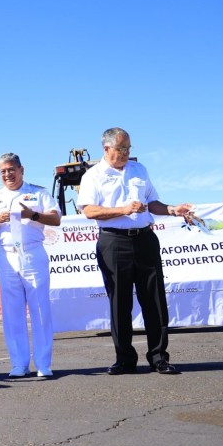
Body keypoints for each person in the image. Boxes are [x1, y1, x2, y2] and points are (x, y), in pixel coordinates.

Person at [78, 127, 194, 376]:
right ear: (106, 149)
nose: (126, 153)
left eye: (128, 148)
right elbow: (88, 211)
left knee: (154, 299)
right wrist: (123, 210)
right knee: (120, 302)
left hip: (145, 240)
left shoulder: (139, 170)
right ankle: (125, 359)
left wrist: (174, 209)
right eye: (121, 149)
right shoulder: (93, 175)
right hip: (114, 242)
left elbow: (152, 202)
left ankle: (159, 357)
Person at [0, 153, 61, 379]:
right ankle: (19, 364)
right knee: (12, 311)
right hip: (6, 255)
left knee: (40, 308)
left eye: (11, 170)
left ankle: (43, 363)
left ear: (21, 170)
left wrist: (31, 214)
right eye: (3, 171)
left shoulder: (38, 192)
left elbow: (55, 219)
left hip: (32, 253)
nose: (7, 175)